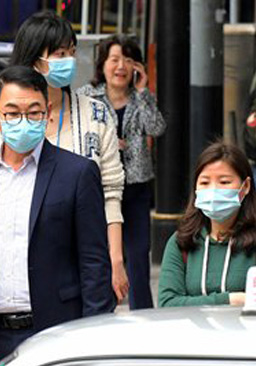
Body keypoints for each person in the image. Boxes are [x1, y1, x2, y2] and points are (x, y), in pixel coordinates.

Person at [0, 66, 115, 366]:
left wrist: (95, 339)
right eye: (13, 113)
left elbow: (94, 265)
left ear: (46, 113)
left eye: (33, 112)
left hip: (58, 332)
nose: (24, 121)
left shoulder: (77, 173)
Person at [0, 11, 128, 305]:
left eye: (72, 53)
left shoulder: (96, 115)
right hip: (21, 263)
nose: (69, 61)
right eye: (60, 54)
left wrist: (116, 259)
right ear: (35, 59)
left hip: (86, 257)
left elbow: (111, 192)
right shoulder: (1, 122)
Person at [77, 35, 166, 310]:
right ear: (102, 64)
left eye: (128, 60)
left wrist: (142, 92)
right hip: (99, 185)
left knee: (138, 253)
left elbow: (157, 128)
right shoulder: (86, 97)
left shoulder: (140, 98)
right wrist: (107, 142)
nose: (121, 66)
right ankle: (102, 307)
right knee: (101, 252)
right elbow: (78, 134)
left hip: (136, 185)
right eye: (114, 59)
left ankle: (142, 313)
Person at [158, 142, 256, 308]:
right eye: (204, 183)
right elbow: (168, 303)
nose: (213, 190)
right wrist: (231, 300)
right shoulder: (181, 241)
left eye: (224, 182)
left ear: (245, 186)